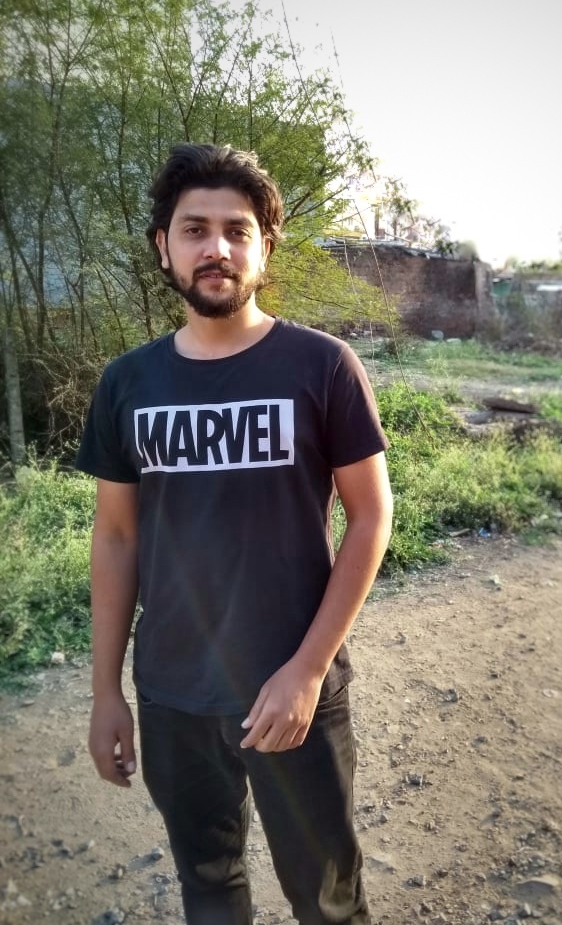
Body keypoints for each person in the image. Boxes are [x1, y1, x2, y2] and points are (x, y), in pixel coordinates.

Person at [76, 143, 393, 925]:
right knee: (209, 887)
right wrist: (107, 692)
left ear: (265, 248)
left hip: (293, 691)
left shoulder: (323, 366)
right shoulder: (127, 383)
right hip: (173, 694)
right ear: (164, 246)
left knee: (328, 899)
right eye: (195, 229)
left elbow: (370, 517)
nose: (216, 248)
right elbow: (115, 538)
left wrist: (307, 672)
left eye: (237, 230)